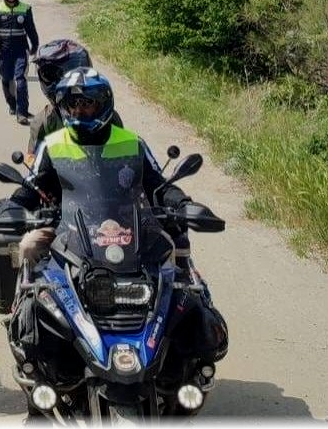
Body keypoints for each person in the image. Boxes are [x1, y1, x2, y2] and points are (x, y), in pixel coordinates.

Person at [16, 69, 228, 375]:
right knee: (27, 246)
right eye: (73, 104)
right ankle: (22, 315)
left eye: (87, 103)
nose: (80, 110)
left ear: (104, 104)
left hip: (129, 226)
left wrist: (183, 204)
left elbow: (159, 185)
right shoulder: (52, 144)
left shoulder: (131, 142)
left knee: (172, 247)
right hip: (66, 227)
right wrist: (13, 207)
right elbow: (30, 187)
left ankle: (194, 309)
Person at [26, 39, 122, 158]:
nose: (78, 109)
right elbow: (33, 166)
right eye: (46, 75)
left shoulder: (106, 117)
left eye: (87, 103)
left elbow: (124, 159)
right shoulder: (44, 122)